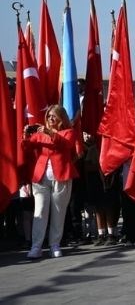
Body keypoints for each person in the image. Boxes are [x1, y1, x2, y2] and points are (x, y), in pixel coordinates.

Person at [23, 105, 78, 259]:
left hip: (61, 176)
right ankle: (36, 246)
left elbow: (65, 144)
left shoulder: (69, 132)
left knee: (58, 213)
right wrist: (26, 135)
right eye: (48, 116)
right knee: (40, 211)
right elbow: (26, 147)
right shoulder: (41, 134)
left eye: (54, 116)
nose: (50, 119)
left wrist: (50, 133)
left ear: (62, 118)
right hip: (41, 178)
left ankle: (55, 244)